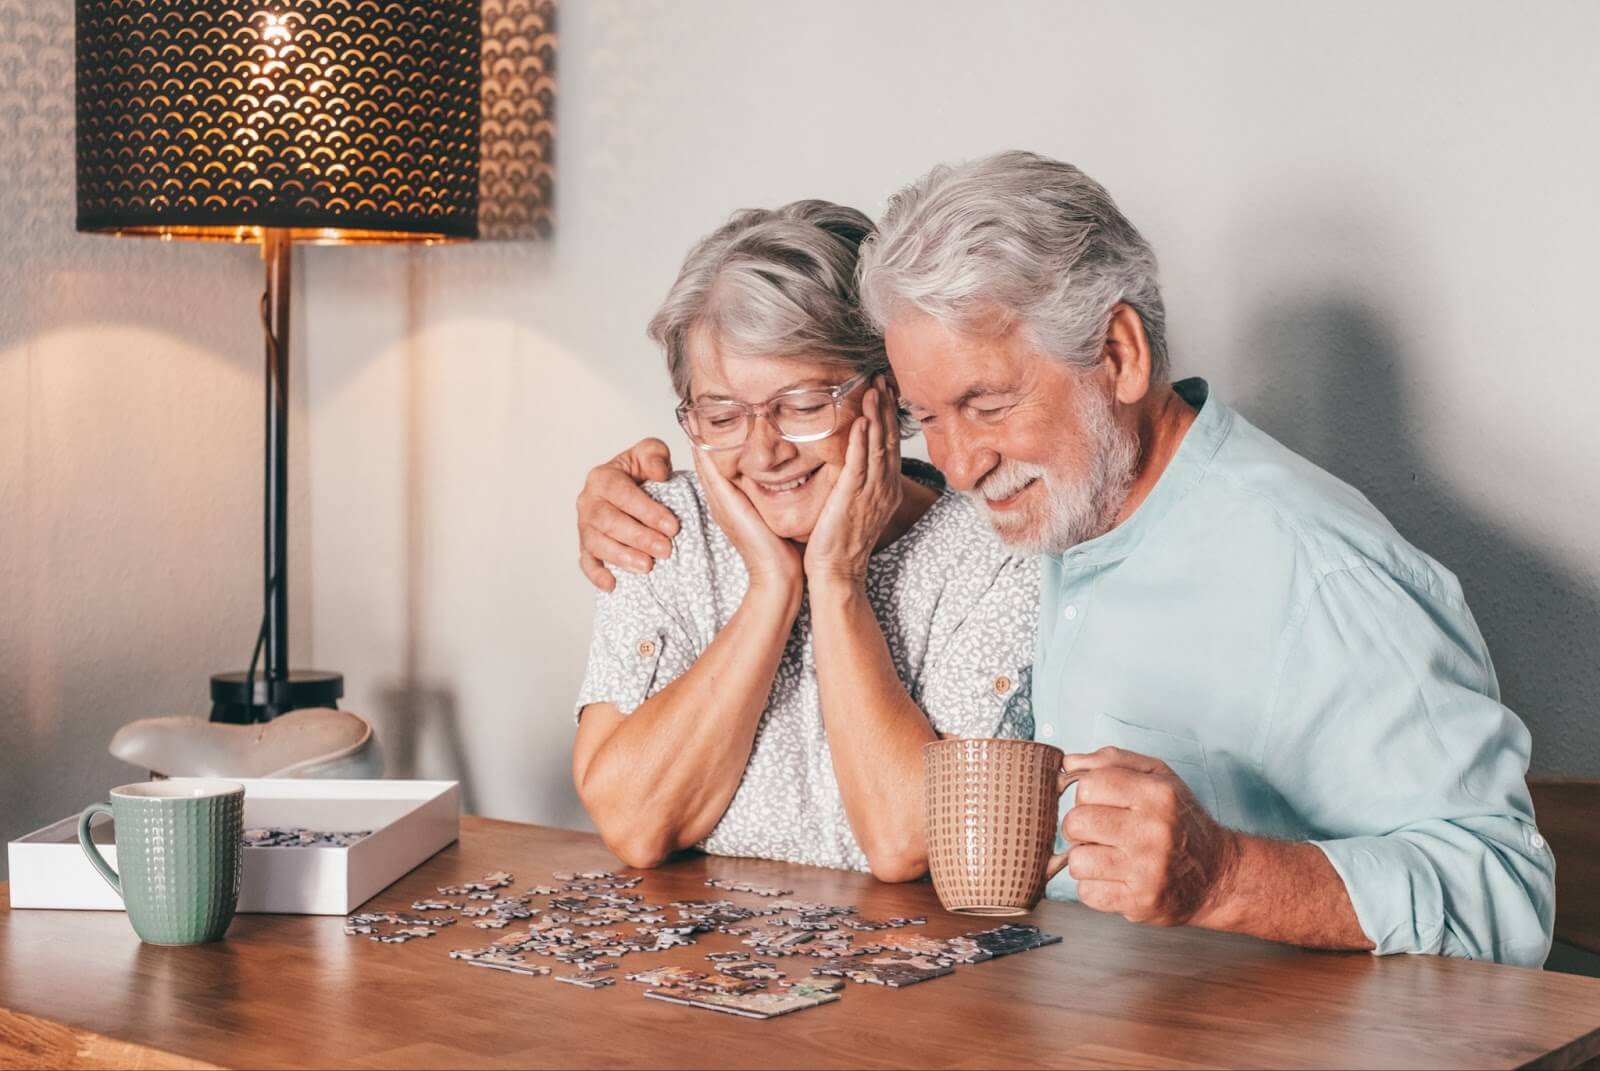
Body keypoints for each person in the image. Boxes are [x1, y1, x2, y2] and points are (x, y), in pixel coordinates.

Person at [575, 153, 1555, 966]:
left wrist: (1230, 876)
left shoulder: (1316, 571)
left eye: (989, 406)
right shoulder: (1036, 514)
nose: (955, 463)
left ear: (1120, 356)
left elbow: (1507, 898)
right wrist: (647, 492)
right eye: (926, 416)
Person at [572, 199, 1038, 881]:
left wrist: (839, 581)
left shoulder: (994, 544)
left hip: (938, 979)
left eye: (803, 405)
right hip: (693, 972)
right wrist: (771, 589)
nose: (764, 452)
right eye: (722, 414)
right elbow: (632, 822)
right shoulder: (658, 525)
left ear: (888, 391)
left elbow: (912, 838)